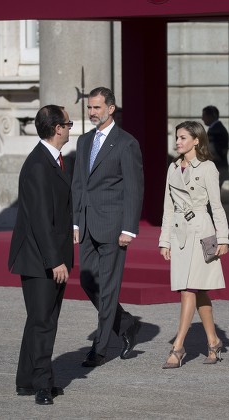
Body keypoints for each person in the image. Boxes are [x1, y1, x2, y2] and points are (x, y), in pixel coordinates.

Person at [72, 87, 144, 367]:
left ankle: (100, 348)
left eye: (97, 108)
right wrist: (76, 220)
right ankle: (125, 323)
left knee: (109, 288)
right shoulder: (83, 141)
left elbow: (134, 189)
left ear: (111, 109)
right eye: (89, 108)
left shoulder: (127, 143)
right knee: (89, 282)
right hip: (88, 224)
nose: (92, 113)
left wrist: (129, 228)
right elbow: (79, 184)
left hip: (114, 227)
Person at [8, 105, 74, 405]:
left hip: (46, 255)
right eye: (69, 123)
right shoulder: (38, 165)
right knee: (43, 322)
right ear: (57, 128)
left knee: (39, 320)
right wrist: (55, 260)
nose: (71, 128)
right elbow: (39, 219)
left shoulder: (53, 161)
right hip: (39, 259)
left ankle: (26, 380)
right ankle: (43, 385)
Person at [159, 121, 229, 369]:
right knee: (198, 291)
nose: (177, 142)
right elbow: (168, 208)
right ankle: (213, 341)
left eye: (182, 137)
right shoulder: (172, 168)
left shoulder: (208, 168)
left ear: (196, 140)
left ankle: (178, 346)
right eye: (176, 137)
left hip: (202, 232)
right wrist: (164, 240)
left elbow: (217, 206)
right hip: (180, 235)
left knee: (188, 289)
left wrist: (223, 238)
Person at [202, 105, 229, 186]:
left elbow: (213, 151)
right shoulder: (216, 129)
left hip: (217, 168)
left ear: (211, 116)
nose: (203, 118)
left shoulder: (216, 130)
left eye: (204, 115)